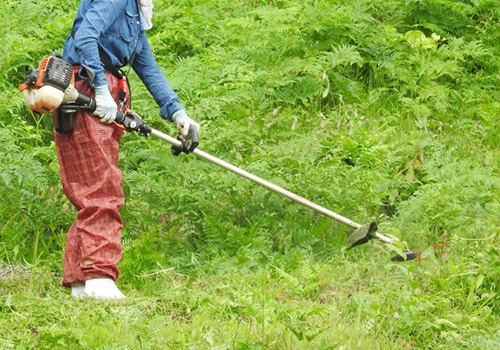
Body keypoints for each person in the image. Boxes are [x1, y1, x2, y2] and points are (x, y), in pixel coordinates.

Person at [54, 0, 200, 299]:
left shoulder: (135, 15)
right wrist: (99, 88)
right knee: (101, 187)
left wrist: (178, 113)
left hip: (104, 96)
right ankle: (99, 278)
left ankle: (82, 283)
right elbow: (85, 37)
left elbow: (147, 66)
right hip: (85, 91)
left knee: (93, 187)